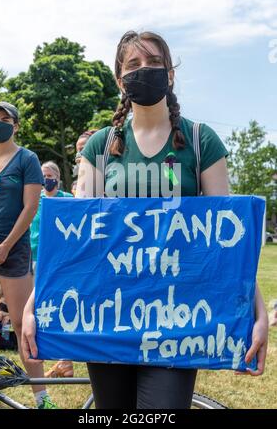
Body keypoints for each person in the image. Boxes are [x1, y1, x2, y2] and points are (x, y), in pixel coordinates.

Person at [22, 31, 268, 409]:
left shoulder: (202, 142)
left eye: (154, 62)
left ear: (170, 74)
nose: (145, 70)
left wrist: (258, 310)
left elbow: (229, 242)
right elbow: (77, 243)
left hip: (178, 315)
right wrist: (34, 302)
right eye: (134, 64)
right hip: (106, 313)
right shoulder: (99, 147)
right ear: (120, 79)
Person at [0, 101, 56, 409]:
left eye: (5, 119)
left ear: (16, 125)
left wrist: (6, 245)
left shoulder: (27, 159)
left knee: (24, 325)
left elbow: (30, 207)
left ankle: (42, 398)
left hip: (15, 251)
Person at [30, 160, 74, 379]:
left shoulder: (68, 200)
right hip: (35, 258)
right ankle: (55, 360)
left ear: (57, 177)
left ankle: (64, 361)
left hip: (60, 261)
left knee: (59, 307)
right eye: (41, 176)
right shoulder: (33, 201)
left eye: (48, 175)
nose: (45, 179)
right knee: (37, 310)